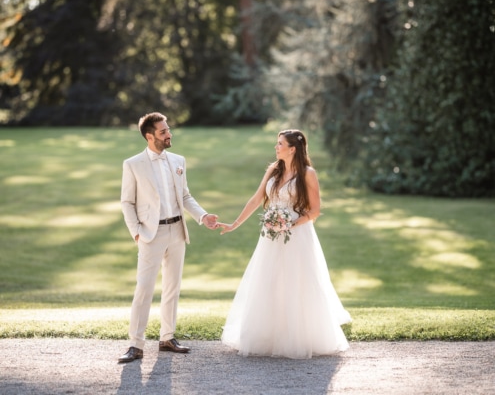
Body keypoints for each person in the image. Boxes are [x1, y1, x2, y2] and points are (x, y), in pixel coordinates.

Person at [217, 129, 351, 359]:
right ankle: (267, 335)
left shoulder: (308, 173)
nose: (276, 147)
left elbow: (315, 210)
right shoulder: (273, 170)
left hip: (297, 236)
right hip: (269, 237)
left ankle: (299, 337)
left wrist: (289, 224)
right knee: (268, 280)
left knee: (296, 282)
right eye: (276, 143)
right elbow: (256, 198)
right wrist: (234, 224)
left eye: (280, 144)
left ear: (293, 149)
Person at [118, 112, 218, 363]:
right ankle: (136, 344)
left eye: (168, 129)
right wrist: (137, 232)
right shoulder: (132, 164)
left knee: (172, 287)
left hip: (177, 231)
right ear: (149, 136)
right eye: (163, 132)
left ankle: (167, 337)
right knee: (144, 289)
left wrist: (203, 216)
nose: (169, 134)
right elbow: (127, 202)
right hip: (150, 234)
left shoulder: (177, 160)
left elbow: (184, 196)